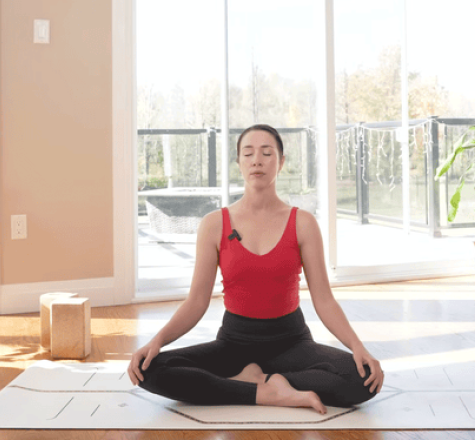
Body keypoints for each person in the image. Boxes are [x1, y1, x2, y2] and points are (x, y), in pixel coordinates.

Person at [127, 124, 384, 414]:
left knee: (363, 380)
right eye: (248, 153)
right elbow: (196, 301)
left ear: (281, 162)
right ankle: (268, 392)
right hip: (234, 344)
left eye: (267, 153)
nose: (257, 160)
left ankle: (262, 382)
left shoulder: (303, 223)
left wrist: (357, 347)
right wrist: (156, 341)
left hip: (291, 342)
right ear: (239, 163)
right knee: (150, 368)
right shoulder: (214, 224)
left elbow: (324, 299)